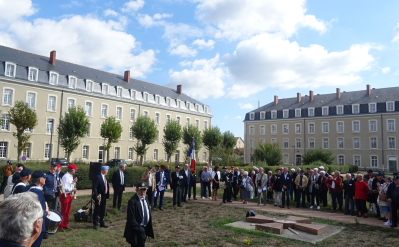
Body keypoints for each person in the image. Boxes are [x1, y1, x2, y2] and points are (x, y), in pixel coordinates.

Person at [124, 181, 154, 247]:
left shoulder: (146, 197)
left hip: (145, 228)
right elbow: (131, 218)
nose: (143, 192)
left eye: (144, 190)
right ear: (136, 190)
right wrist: (140, 229)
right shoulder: (132, 201)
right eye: (141, 190)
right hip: (137, 230)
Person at [27, 171, 50, 247]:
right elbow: (36, 211)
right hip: (37, 225)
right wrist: (46, 212)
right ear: (40, 180)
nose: (45, 179)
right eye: (44, 177)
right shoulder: (37, 192)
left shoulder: (29, 188)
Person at [58, 164, 78, 232]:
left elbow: (69, 185)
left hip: (68, 195)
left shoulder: (70, 176)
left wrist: (73, 182)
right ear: (72, 170)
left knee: (67, 210)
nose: (75, 170)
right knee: (64, 210)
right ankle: (60, 225)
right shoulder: (66, 177)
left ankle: (65, 224)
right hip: (65, 195)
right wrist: (72, 189)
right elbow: (64, 187)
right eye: (74, 169)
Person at [93, 165, 110, 230]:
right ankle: (95, 223)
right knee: (97, 209)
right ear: (103, 170)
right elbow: (95, 187)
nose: (107, 171)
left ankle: (102, 222)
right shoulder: (98, 177)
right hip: (99, 196)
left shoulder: (105, 178)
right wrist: (96, 194)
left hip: (104, 196)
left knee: (103, 209)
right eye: (106, 170)